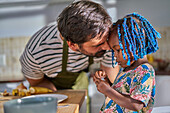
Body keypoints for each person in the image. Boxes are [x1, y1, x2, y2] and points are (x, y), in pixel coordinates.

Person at [93, 13, 161, 113]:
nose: (115, 55)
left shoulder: (145, 70)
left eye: (118, 50)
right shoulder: (125, 70)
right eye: (113, 51)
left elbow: (136, 104)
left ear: (136, 46)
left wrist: (108, 90)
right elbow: (119, 97)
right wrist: (107, 84)